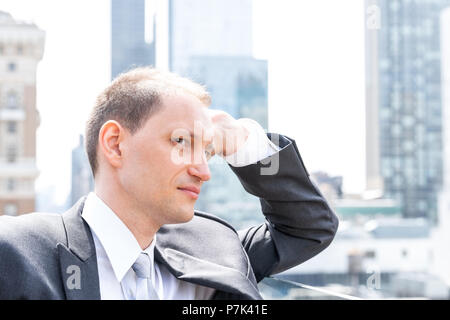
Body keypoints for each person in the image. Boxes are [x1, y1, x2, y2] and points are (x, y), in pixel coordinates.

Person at [0, 67, 338, 300]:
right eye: (181, 142)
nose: (204, 171)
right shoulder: (17, 251)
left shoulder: (214, 248)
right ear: (116, 144)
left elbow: (309, 227)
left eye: (206, 150)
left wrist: (245, 144)